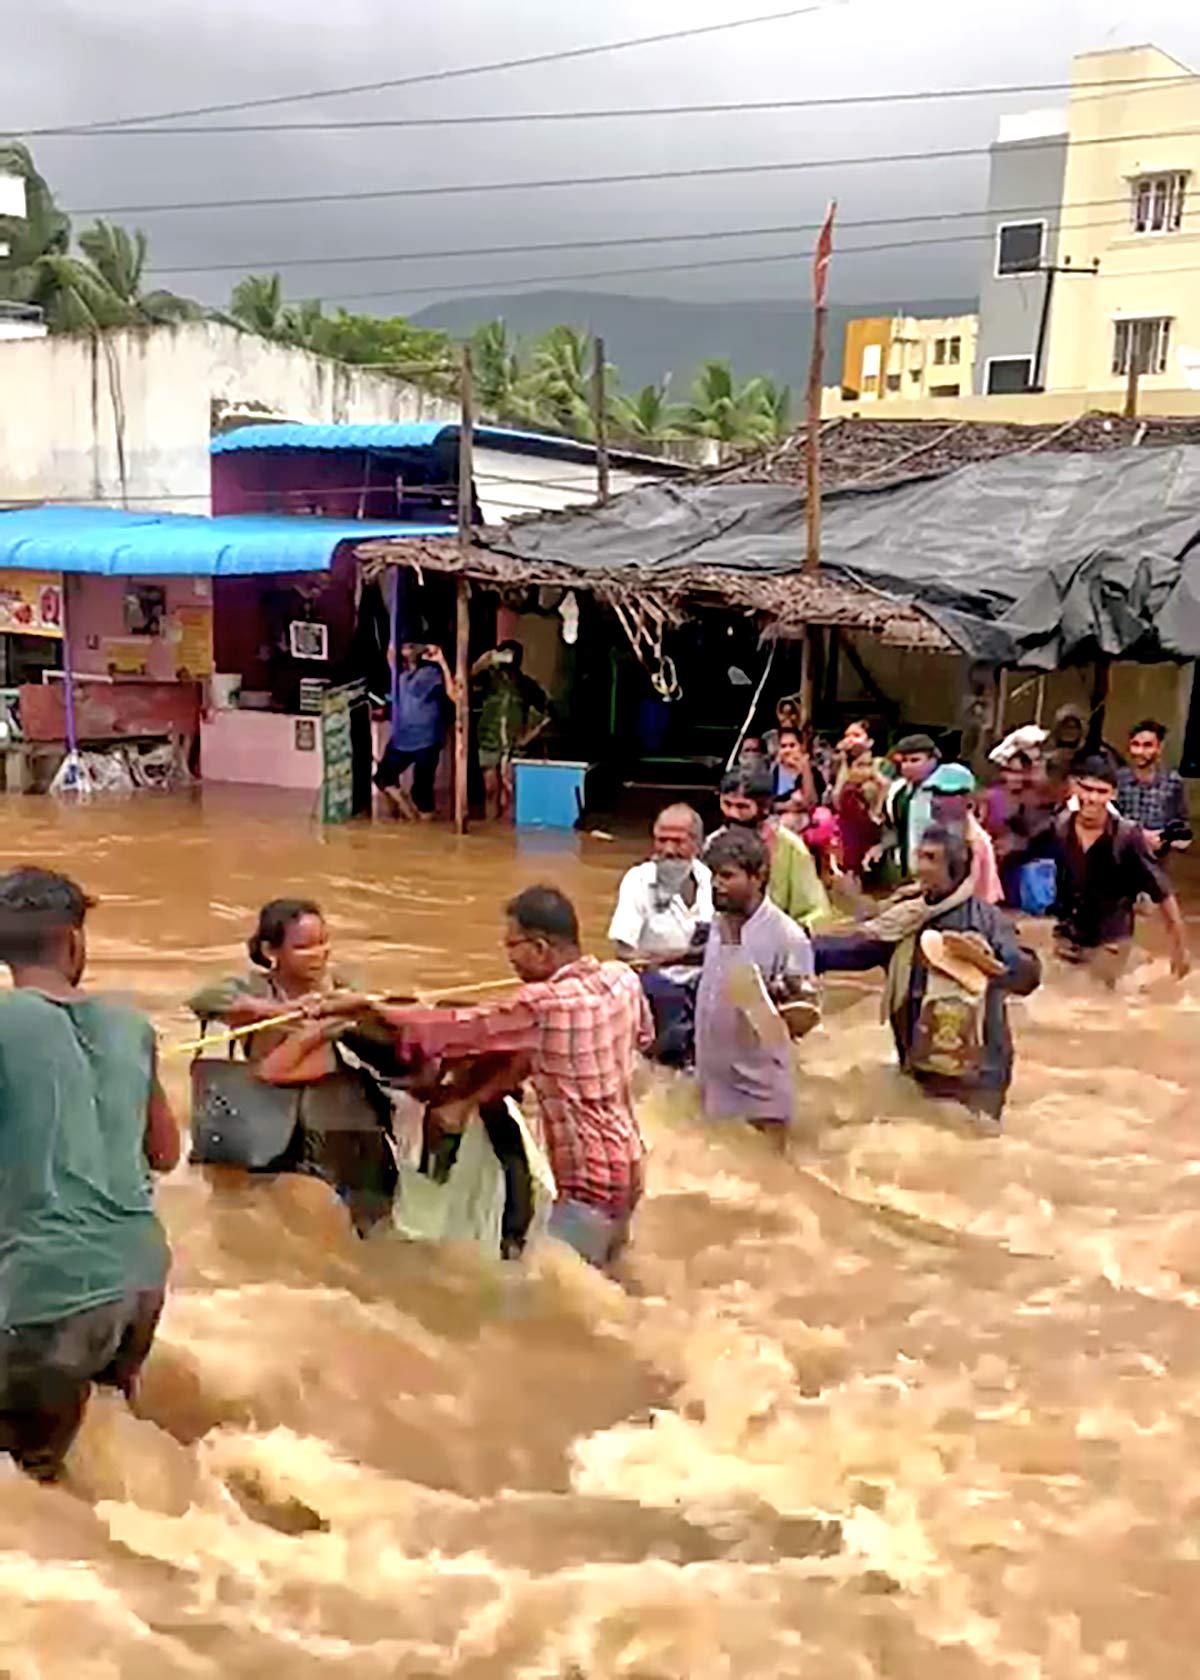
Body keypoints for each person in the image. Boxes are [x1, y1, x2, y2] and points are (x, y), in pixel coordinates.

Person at [325, 886, 651, 1272]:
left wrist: (370, 1007)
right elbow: (643, 1037)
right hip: (629, 1163)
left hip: (588, 1181)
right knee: (611, 1273)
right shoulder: (622, 979)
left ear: (541, 948)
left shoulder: (543, 1004)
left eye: (512, 945)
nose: (509, 957)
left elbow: (457, 1028)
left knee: (550, 1306)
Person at [0, 868, 180, 1482]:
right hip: (139, 1279)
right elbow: (164, 1152)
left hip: (48, 1290)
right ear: (74, 943)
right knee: (93, 1454)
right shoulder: (134, 1026)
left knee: (26, 1482)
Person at [187, 899, 405, 1235]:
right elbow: (203, 1000)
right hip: (266, 1113)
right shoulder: (251, 989)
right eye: (303, 947)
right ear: (270, 950)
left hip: (339, 1113)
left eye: (323, 943)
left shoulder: (344, 986)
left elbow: (387, 1025)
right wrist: (277, 1011)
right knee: (246, 1217)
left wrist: (345, 1010)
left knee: (371, 1221)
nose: (319, 954)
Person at [813, 826, 1041, 1131]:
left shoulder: (988, 923)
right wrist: (791, 949)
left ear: (956, 868)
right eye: (919, 855)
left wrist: (994, 964)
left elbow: (1028, 976)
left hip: (978, 1077)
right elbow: (851, 951)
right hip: (921, 1069)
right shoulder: (904, 921)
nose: (919, 866)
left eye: (931, 858)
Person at [696, 828, 821, 1136]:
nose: (716, 884)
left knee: (769, 1175)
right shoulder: (718, 921)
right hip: (713, 1079)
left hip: (761, 1093)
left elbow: (804, 1014)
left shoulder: (788, 937)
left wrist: (786, 997)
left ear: (758, 876)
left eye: (727, 876)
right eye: (712, 875)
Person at [1038, 753, 1190, 980]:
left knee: (1095, 997)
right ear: (1074, 789)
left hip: (1111, 941)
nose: (1092, 798)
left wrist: (1180, 949)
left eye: (1101, 792)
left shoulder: (1127, 836)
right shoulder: (1059, 827)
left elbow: (1163, 893)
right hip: (1067, 936)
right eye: (1087, 789)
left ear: (1113, 794)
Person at [609, 804, 712, 1066]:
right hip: (659, 987)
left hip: (705, 982)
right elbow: (624, 952)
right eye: (661, 840)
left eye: (678, 842)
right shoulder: (638, 881)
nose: (668, 850)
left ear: (697, 845)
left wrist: (674, 957)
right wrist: (660, 963)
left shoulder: (711, 880)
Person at [374, 637, 456, 820]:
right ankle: (410, 816)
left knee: (422, 794)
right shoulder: (398, 675)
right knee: (383, 777)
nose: (404, 650)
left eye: (410, 647)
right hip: (403, 738)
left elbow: (453, 694)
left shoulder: (430, 674)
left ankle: (422, 827)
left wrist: (441, 661)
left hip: (426, 740)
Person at [473, 640, 549, 820]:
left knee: (510, 792)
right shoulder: (487, 679)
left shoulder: (526, 685)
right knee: (490, 790)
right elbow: (462, 685)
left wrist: (528, 736)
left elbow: (546, 714)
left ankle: (509, 834)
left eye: (509, 655)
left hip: (514, 746)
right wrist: (481, 663)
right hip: (488, 741)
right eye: (502, 654)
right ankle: (492, 830)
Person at [924, 763, 1003, 905]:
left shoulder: (975, 840)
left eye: (945, 795)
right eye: (935, 793)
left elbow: (971, 890)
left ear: (967, 799)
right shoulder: (936, 833)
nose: (936, 801)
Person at [1115, 718, 1192, 861]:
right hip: (1122, 857)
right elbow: (1110, 820)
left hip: (1157, 860)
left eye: (1147, 745)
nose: (1140, 751)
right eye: (1135, 744)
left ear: (1159, 748)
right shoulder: (1118, 779)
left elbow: (1182, 825)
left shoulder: (1173, 782)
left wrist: (1164, 838)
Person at [875, 733, 940, 881]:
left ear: (932, 761)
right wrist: (881, 847)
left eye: (915, 760)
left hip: (934, 870)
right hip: (905, 867)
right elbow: (896, 829)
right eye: (904, 761)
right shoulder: (897, 791)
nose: (908, 766)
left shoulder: (942, 793)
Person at [708, 765, 777, 852]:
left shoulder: (788, 845)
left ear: (764, 806)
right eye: (727, 804)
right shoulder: (711, 843)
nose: (732, 813)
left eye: (742, 806)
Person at [770, 727, 818, 806]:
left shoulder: (813, 771)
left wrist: (805, 768)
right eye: (783, 746)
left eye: (792, 745)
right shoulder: (773, 771)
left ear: (801, 747)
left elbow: (812, 801)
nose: (787, 750)